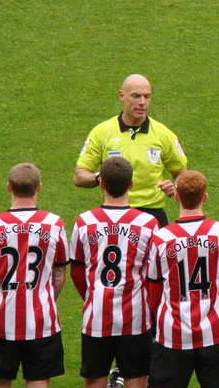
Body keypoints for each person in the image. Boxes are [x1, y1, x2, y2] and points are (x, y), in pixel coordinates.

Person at [0, 163, 69, 387]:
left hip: (1, 323)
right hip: (42, 321)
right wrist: (45, 299)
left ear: (9, 187)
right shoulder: (54, 224)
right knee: (38, 382)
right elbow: (60, 274)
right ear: (39, 187)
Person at [70, 157, 160, 388]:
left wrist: (92, 296)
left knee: (94, 379)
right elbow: (154, 275)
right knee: (137, 378)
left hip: (96, 316)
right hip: (136, 318)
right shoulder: (148, 223)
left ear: (101, 184)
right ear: (131, 184)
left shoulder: (84, 222)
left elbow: (77, 272)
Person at [147, 170, 219, 388]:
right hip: (212, 330)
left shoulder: (161, 238)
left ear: (176, 196)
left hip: (172, 333)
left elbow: (154, 287)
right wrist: (216, 303)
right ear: (205, 196)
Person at [74, 74, 188, 226]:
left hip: (152, 214)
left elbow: (183, 175)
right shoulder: (102, 132)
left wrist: (175, 187)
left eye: (147, 97)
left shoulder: (163, 134)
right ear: (122, 96)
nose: (142, 102)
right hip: (114, 213)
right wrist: (98, 178)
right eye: (136, 96)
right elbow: (79, 176)